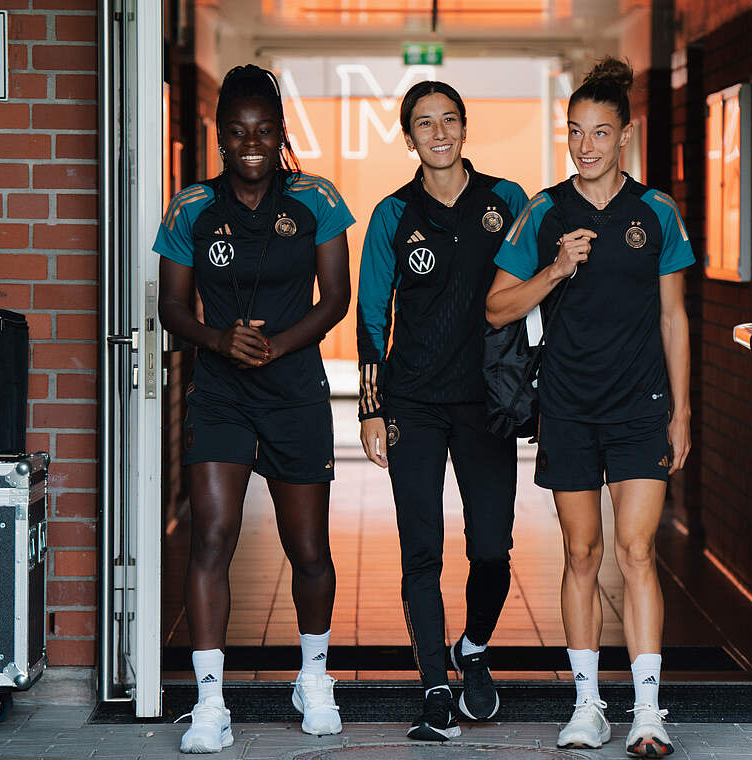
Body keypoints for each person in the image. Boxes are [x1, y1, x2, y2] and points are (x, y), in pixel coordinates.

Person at [485, 57, 694, 758]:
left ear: (625, 137)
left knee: (636, 552)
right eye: (575, 132)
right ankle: (587, 705)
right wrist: (556, 268)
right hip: (569, 408)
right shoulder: (544, 212)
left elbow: (674, 319)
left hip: (640, 407)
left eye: (599, 133)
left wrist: (683, 413)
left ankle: (646, 712)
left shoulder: (656, 211)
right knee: (581, 553)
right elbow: (494, 309)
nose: (585, 146)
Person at [154, 64, 354, 753]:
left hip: (294, 388)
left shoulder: (316, 200)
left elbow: (335, 299)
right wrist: (219, 340)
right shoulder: (190, 208)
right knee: (212, 534)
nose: (251, 144)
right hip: (220, 391)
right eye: (237, 132)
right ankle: (211, 704)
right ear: (219, 136)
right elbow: (170, 306)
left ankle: (315, 679)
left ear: (281, 134)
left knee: (308, 549)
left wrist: (275, 347)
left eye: (264, 131)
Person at [356, 81, 528, 742]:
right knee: (420, 547)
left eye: (448, 120)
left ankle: (473, 650)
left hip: (487, 402)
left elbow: (535, 291)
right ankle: (434, 685)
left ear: (464, 128)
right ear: (409, 137)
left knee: (491, 548)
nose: (438, 133)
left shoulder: (506, 200)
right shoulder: (392, 215)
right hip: (414, 402)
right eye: (424, 123)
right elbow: (372, 317)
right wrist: (372, 409)